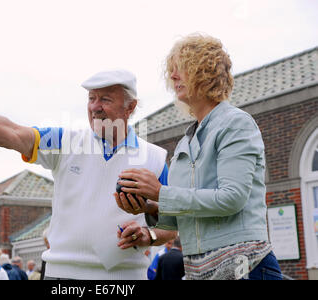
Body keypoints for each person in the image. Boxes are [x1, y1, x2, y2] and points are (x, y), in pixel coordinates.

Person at [0, 69, 172, 280]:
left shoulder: (155, 158)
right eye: (91, 98)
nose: (95, 107)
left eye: (105, 99)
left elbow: (173, 225)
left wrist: (148, 236)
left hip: (125, 279)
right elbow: (13, 132)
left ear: (130, 107)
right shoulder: (65, 141)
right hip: (61, 276)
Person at [115, 33, 282, 280]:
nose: (172, 77)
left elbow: (232, 198)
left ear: (205, 71)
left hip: (247, 268)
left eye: (180, 69)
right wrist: (147, 212)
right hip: (199, 272)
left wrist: (160, 192)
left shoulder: (236, 124)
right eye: (171, 71)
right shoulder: (186, 142)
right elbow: (181, 219)